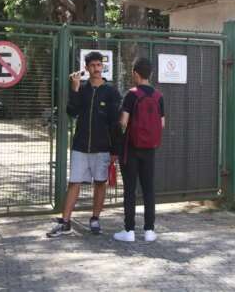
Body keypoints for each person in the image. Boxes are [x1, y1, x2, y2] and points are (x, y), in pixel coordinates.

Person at [47, 51, 121, 237]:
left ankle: (95, 219)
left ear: (102, 67)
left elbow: (115, 124)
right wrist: (75, 88)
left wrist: (115, 150)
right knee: (74, 183)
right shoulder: (82, 88)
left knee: (100, 183)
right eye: (93, 65)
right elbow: (72, 112)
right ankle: (65, 222)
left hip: (103, 147)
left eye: (99, 65)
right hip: (80, 145)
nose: (97, 68)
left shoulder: (111, 92)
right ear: (86, 68)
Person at [113, 57, 165, 242]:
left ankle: (129, 231)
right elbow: (162, 123)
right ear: (150, 73)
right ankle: (150, 230)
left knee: (130, 189)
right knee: (148, 189)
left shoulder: (132, 94)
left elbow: (123, 122)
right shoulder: (159, 96)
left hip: (131, 148)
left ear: (135, 73)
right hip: (149, 149)